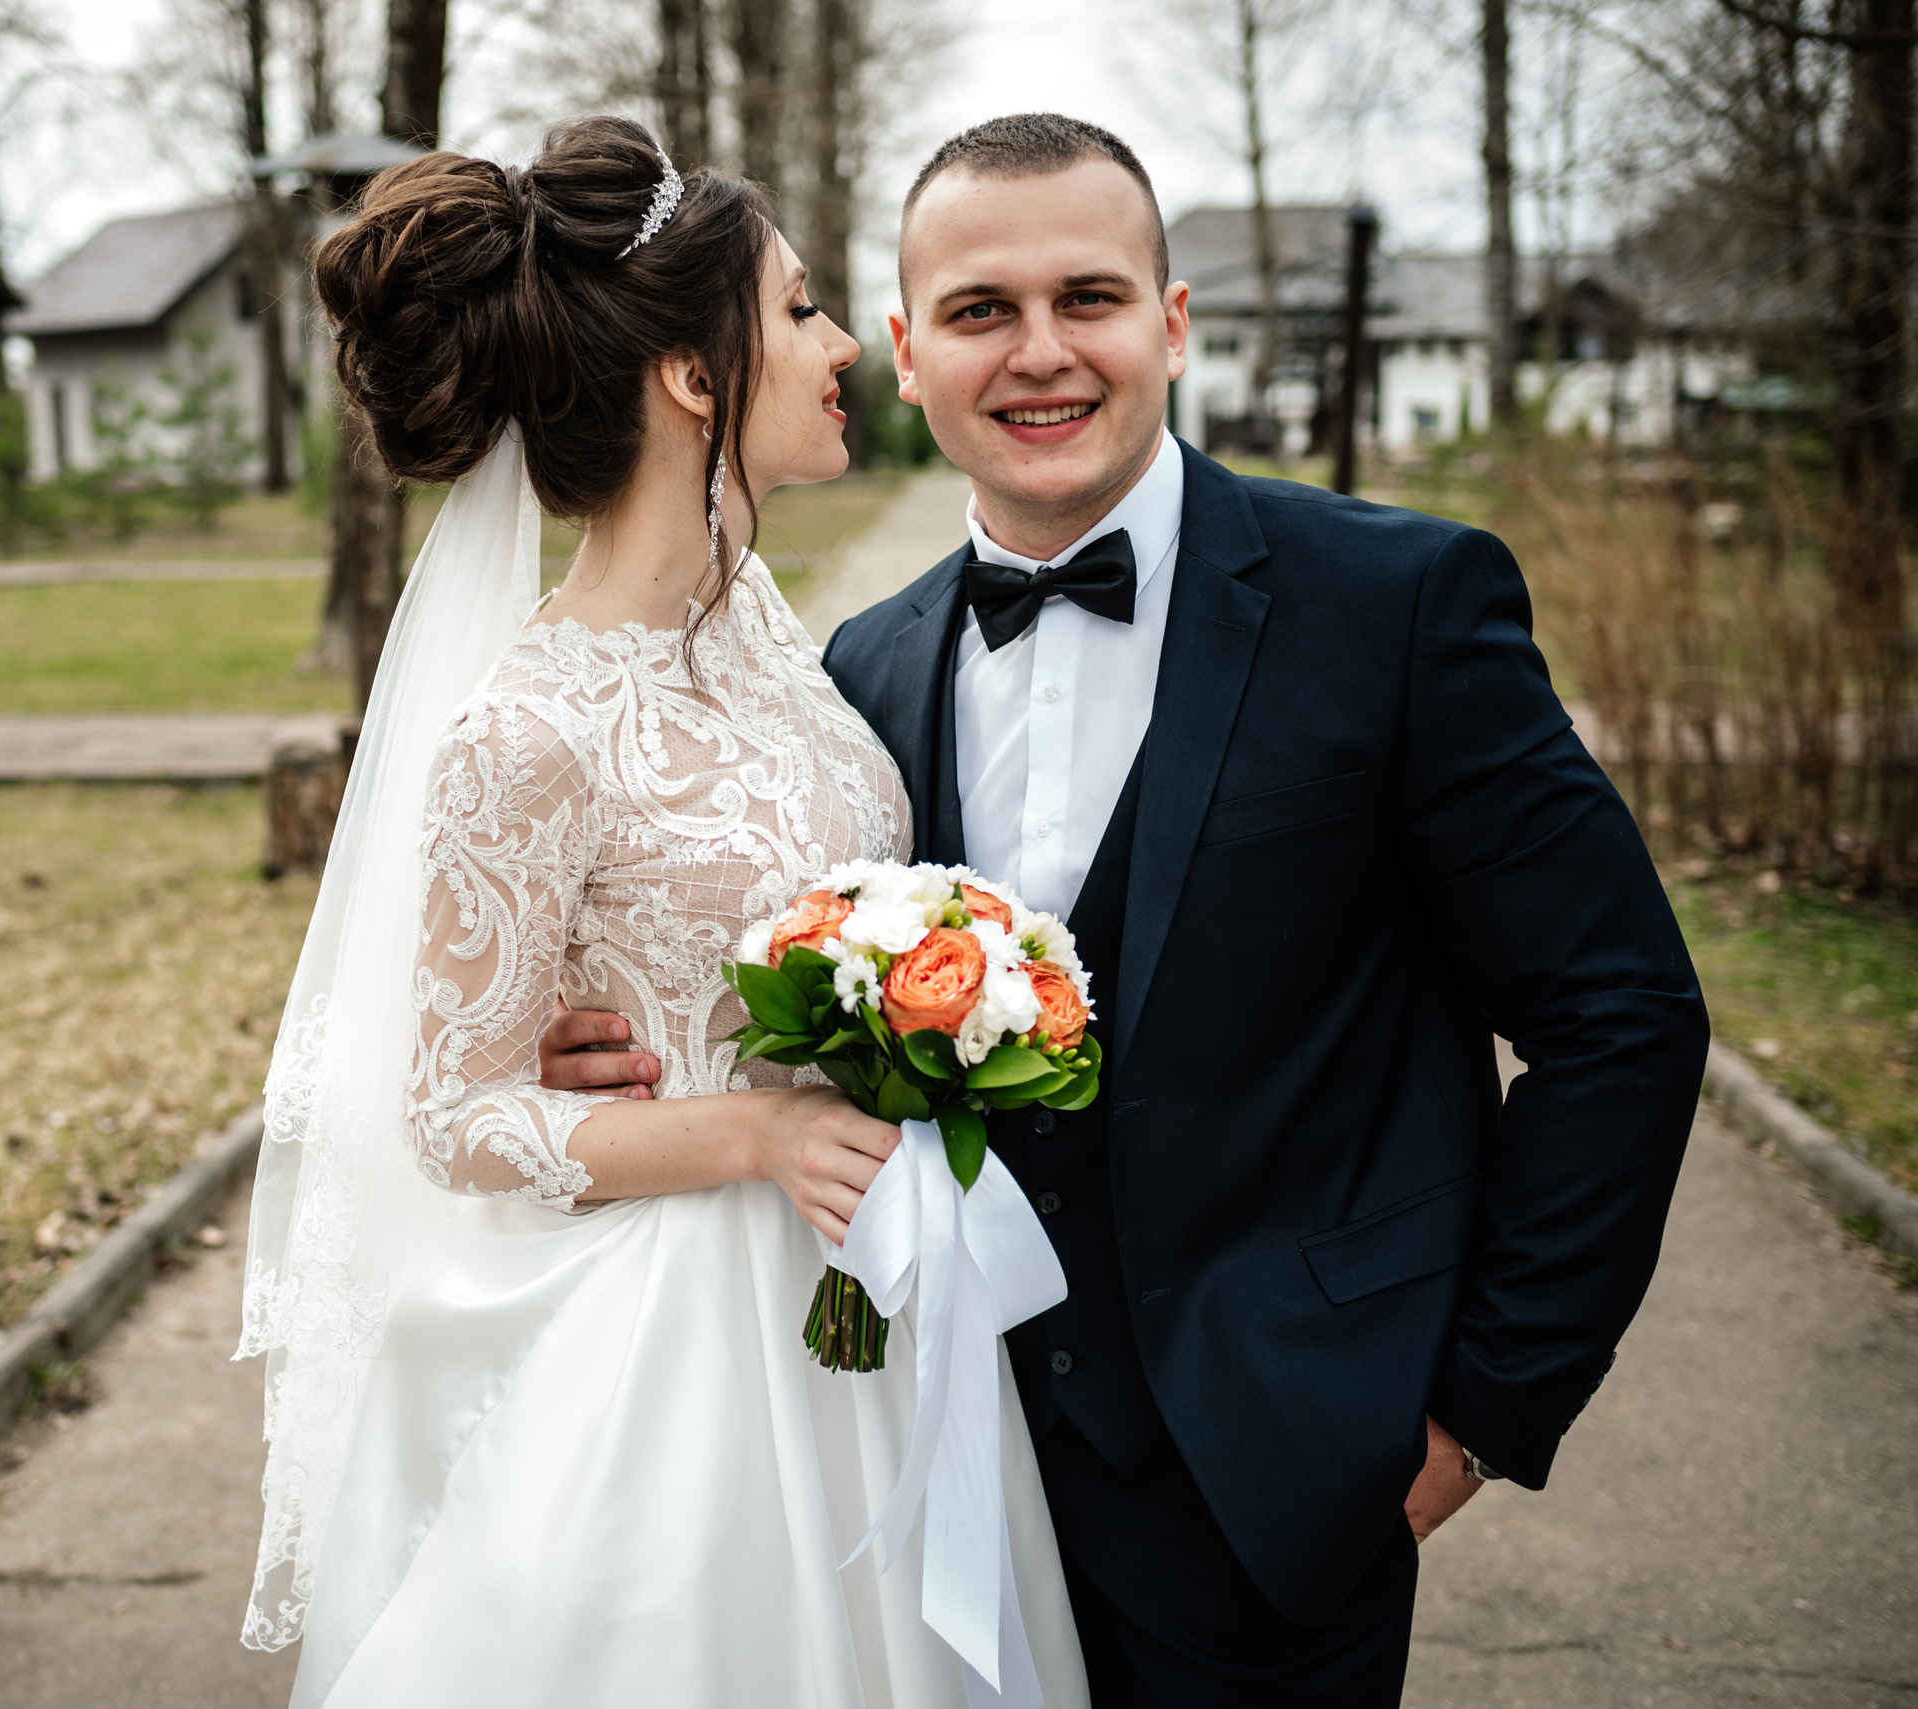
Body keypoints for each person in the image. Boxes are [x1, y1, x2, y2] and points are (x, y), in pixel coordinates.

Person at [542, 114, 1710, 1706]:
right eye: (978, 311)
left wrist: (1485, 1413)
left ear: (1171, 320)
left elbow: (1619, 1015)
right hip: (916, 1468)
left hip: (1280, 1488)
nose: (1039, 354)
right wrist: (608, 1048)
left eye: (1087, 297)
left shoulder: (1400, 606)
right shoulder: (853, 679)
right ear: (904, 346)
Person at [236, 116, 1088, 1709]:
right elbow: (451, 1114)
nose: (843, 347)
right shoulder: (527, 727)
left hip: (857, 1294)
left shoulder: (760, 622)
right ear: (693, 374)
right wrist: (749, 1135)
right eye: (801, 310)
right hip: (673, 1346)